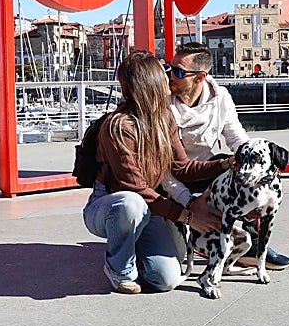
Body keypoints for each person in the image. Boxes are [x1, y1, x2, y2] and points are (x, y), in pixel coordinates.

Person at [83, 50, 230, 294]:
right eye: (164, 74)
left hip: (149, 205)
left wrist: (226, 164)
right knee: (131, 204)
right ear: (149, 83)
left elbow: (182, 168)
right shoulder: (119, 127)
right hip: (110, 204)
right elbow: (134, 188)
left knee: (166, 280)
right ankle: (119, 269)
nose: (169, 78)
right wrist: (188, 217)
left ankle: (132, 241)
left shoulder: (165, 118)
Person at [162, 41, 289, 270]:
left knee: (239, 170)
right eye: (169, 67)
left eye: (178, 71)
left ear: (200, 77)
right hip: (167, 177)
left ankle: (252, 244)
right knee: (173, 259)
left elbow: (237, 139)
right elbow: (161, 167)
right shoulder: (162, 102)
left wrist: (256, 167)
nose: (170, 75)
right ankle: (193, 236)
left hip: (203, 170)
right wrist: (189, 201)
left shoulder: (220, 97)